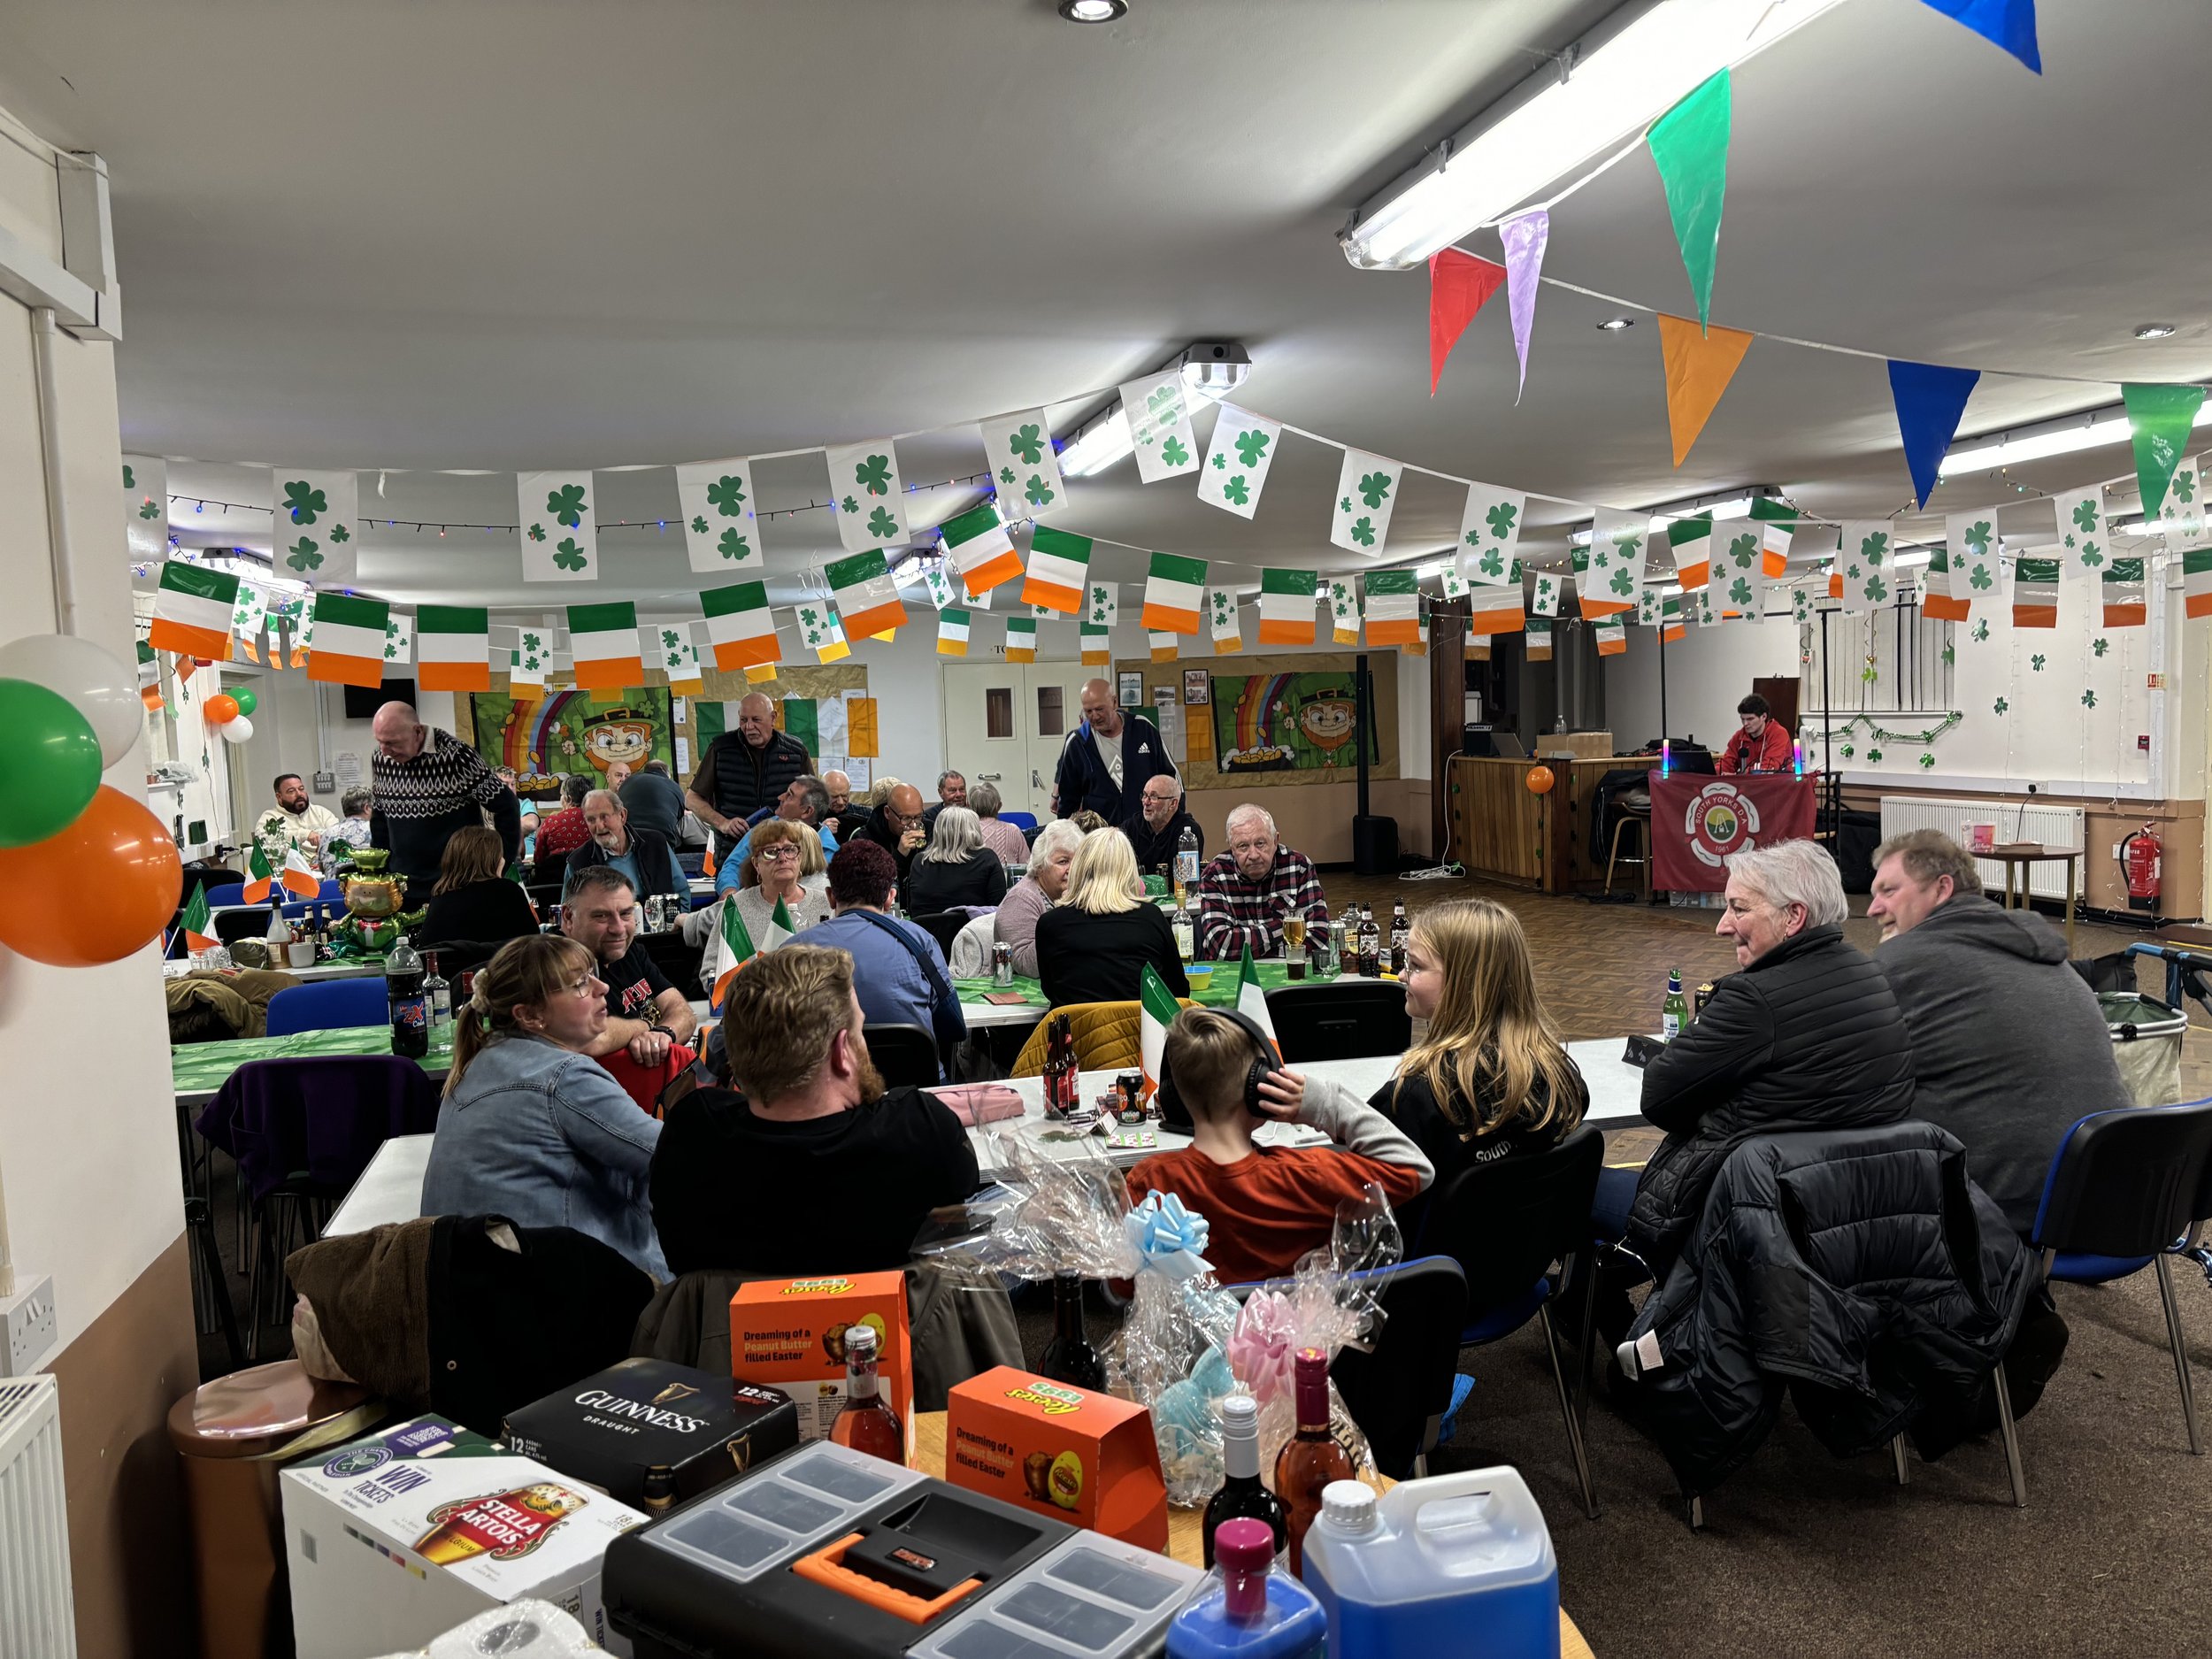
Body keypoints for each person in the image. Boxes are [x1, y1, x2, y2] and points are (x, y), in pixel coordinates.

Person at [1606, 840, 1915, 1286]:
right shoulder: (1869, 975)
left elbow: (1657, 1098)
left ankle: (1592, 1309)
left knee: (1578, 1187)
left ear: (1794, 917)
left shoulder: (1753, 999)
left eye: (1738, 908)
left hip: (1753, 1219)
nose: (1722, 926)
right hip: (1857, 1214)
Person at [649, 944, 979, 1276]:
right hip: (896, 1308)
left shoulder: (692, 1138)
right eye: (859, 1030)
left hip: (728, 1311)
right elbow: (958, 1228)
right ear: (841, 1051)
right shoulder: (920, 1128)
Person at [1869, 829, 2125, 1237]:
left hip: (2004, 1218)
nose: (1872, 908)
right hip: (2120, 1200)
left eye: (1888, 891)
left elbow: (1840, 1079)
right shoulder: (2048, 956)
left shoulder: (1902, 961)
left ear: (1941, 889)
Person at [1125, 1008, 1434, 1286]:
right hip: (1297, 1334)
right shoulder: (1307, 1175)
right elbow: (1415, 1168)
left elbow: (1121, 1286)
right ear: (1260, 1088)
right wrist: (1322, 1102)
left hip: (1188, 1335)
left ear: (1176, 1096)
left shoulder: (1148, 1183)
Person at [419, 934, 666, 1279]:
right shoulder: (563, 1076)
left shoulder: (480, 1061)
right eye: (580, 984)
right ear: (530, 1015)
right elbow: (676, 1155)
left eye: (593, 976)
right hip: (554, 1293)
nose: (603, 988)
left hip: (473, 1287)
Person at [1379, 899, 1589, 1188]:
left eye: (1415, 966)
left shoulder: (1416, 1097)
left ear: (1463, 983)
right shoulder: (1560, 1076)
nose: (1402, 975)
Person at [790, 841, 966, 1078]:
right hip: (917, 1086)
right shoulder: (920, 940)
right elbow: (953, 1026)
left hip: (828, 1087)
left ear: (831, 897)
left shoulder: (793, 950)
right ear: (890, 898)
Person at [369, 702, 521, 895]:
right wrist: (379, 874)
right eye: (380, 742)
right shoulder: (381, 759)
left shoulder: (457, 756)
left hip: (457, 886)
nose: (384, 751)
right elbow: (379, 820)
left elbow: (507, 806)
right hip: (402, 886)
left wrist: (500, 864)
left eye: (392, 743)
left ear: (417, 731)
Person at [558, 864, 700, 1065]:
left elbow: (681, 1010)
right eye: (601, 916)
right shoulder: (553, 964)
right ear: (568, 917)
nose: (618, 929)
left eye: (626, 914)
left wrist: (663, 1034)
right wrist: (645, 1027)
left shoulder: (629, 950)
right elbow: (589, 1037)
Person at [1034, 828, 1189, 1008]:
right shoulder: (1152, 919)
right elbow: (1179, 991)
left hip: (1077, 1026)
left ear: (1079, 868)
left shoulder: (1050, 924)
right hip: (1140, 1026)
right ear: (1129, 870)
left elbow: (1050, 989)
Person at [1195, 804, 1326, 961]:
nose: (1253, 855)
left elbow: (1319, 937)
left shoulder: (1299, 867)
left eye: (1260, 844)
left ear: (1275, 840)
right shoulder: (1215, 875)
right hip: (1234, 974)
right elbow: (1222, 945)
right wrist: (1284, 928)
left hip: (1290, 971)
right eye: (1243, 846)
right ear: (1232, 848)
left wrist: (1247, 949)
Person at [687, 692, 810, 856]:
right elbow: (692, 799)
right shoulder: (721, 749)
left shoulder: (796, 751)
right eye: (744, 720)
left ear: (773, 718)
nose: (749, 727)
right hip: (733, 852)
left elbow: (812, 800)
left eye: (756, 720)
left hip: (783, 853)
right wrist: (723, 823)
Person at [1052, 679, 1177, 824]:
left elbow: (1172, 780)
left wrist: (1176, 823)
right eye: (1088, 711)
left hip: (1145, 831)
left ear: (1114, 702)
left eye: (1100, 709)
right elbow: (1067, 802)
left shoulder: (1143, 729)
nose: (1095, 716)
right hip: (1100, 834)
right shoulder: (1077, 743)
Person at [419, 826, 541, 949]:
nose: (503, 860)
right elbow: (533, 944)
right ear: (493, 859)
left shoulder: (440, 896)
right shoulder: (508, 892)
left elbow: (427, 948)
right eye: (500, 855)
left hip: (450, 962)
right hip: (499, 961)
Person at [715, 775, 840, 895]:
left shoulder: (829, 852)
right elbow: (733, 865)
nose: (780, 797)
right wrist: (729, 890)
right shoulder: (765, 829)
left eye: (789, 795)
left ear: (807, 811)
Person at [564, 789, 687, 904]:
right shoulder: (578, 862)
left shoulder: (656, 844)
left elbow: (682, 891)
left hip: (661, 920)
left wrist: (677, 920)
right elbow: (569, 910)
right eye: (591, 820)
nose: (599, 826)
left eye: (604, 817)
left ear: (622, 815)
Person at [995, 818, 1082, 979]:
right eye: (1063, 861)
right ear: (1040, 866)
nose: (1072, 869)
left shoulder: (1076, 893)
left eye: (1077, 862)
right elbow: (1026, 966)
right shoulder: (1020, 899)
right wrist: (1065, 914)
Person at [726, 817, 833, 944]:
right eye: (771, 852)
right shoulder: (736, 906)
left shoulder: (826, 903)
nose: (782, 858)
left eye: (789, 850)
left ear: (800, 858)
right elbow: (716, 956)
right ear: (756, 864)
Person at [905, 807, 1009, 915]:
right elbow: (999, 911)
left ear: (938, 831)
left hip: (922, 926)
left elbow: (912, 909)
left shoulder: (919, 861)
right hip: (971, 925)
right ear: (973, 830)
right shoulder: (987, 859)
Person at [849, 780, 929, 893]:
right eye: (905, 818)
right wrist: (899, 856)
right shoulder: (864, 840)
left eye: (918, 817)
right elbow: (867, 885)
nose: (913, 825)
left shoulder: (930, 829)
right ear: (887, 813)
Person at [1122, 775, 1202, 878]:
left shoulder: (1188, 833)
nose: (1146, 802)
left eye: (1154, 797)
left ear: (1173, 803)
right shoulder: (1131, 826)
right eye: (1145, 795)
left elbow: (1187, 877)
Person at [1718, 694, 1793, 774]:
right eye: (1743, 719)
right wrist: (1713, 772)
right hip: (1746, 780)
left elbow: (1769, 768)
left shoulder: (1779, 734)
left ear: (1764, 716)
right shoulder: (1739, 737)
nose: (1745, 723)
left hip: (1776, 781)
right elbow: (1726, 764)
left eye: (1750, 719)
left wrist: (1738, 775)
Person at [619, 758, 688, 842]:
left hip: (630, 837)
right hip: (663, 840)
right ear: (665, 771)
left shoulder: (628, 782)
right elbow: (680, 817)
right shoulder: (674, 786)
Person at [268, 773, 339, 853]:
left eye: (301, 789)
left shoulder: (321, 812)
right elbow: (269, 842)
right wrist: (304, 835)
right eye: (291, 791)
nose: (299, 794)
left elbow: (337, 835)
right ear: (279, 797)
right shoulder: (270, 818)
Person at [967, 780, 1032, 867]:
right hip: (1007, 876)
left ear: (968, 806)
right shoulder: (1013, 831)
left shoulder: (964, 831)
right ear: (999, 806)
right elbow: (1027, 866)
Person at [533, 773, 593, 864]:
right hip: (591, 872)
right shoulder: (597, 820)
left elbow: (538, 858)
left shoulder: (552, 821)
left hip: (556, 872)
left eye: (561, 795)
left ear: (569, 799)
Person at [320, 787, 375, 876]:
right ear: (367, 808)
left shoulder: (328, 833)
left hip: (333, 884)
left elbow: (322, 867)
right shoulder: (374, 829)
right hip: (368, 884)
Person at [822, 768, 871, 843]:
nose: (840, 802)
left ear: (849, 789)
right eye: (834, 797)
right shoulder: (813, 817)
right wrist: (821, 832)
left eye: (844, 795)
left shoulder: (865, 813)